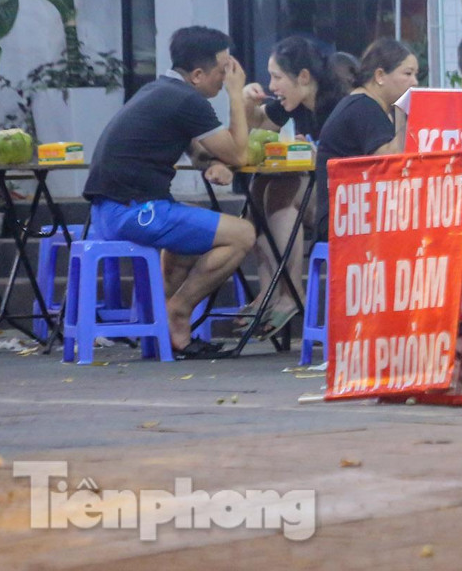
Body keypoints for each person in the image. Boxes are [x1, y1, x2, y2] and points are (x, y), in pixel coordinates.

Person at [83, 27, 257, 360]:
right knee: (243, 234)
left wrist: (221, 162)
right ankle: (178, 311)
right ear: (197, 75)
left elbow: (203, 153)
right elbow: (239, 153)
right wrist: (237, 95)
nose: (226, 78)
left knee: (190, 226)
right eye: (223, 71)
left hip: (110, 211)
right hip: (132, 211)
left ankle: (159, 324)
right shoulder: (187, 101)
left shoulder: (160, 91)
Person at [238, 36, 349, 335]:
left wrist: (319, 153)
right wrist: (246, 100)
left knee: (280, 193)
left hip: (347, 202)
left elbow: (350, 162)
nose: (272, 86)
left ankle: (290, 293)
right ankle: (271, 292)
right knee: (261, 189)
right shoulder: (294, 104)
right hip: (320, 193)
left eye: (277, 77)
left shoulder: (339, 104)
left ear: (303, 76)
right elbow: (258, 123)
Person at [314, 39, 419, 241]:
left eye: (415, 74)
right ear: (380, 76)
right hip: (343, 218)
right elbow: (390, 163)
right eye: (407, 74)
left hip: (357, 211)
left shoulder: (370, 104)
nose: (415, 82)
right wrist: (409, 113)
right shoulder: (363, 107)